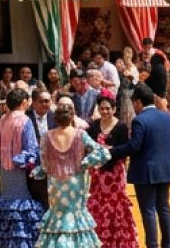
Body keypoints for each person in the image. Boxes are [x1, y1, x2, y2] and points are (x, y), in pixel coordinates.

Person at [109, 84, 170, 248]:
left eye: (134, 102)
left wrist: (112, 151)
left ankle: (152, 245)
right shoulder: (167, 117)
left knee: (148, 210)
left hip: (145, 171)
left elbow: (134, 146)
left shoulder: (139, 120)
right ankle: (168, 244)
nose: (134, 106)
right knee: (164, 207)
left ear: (139, 102)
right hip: (165, 169)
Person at [32, 104, 111, 246]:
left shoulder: (46, 136)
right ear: (72, 117)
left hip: (55, 186)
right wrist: (85, 162)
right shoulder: (80, 135)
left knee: (57, 217)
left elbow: (44, 164)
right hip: (76, 183)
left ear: (56, 118)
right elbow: (103, 153)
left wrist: (41, 171)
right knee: (76, 216)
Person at [0, 88, 43, 248]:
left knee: (7, 203)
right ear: (23, 102)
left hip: (5, 171)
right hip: (20, 171)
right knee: (22, 206)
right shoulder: (25, 120)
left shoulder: (2, 120)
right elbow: (31, 150)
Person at [87, 97, 137, 248]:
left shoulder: (121, 127)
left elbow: (124, 150)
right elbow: (88, 147)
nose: (105, 111)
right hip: (97, 174)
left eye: (108, 108)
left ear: (114, 109)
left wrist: (110, 151)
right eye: (102, 108)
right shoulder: (94, 126)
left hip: (115, 174)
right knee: (98, 204)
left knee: (115, 207)